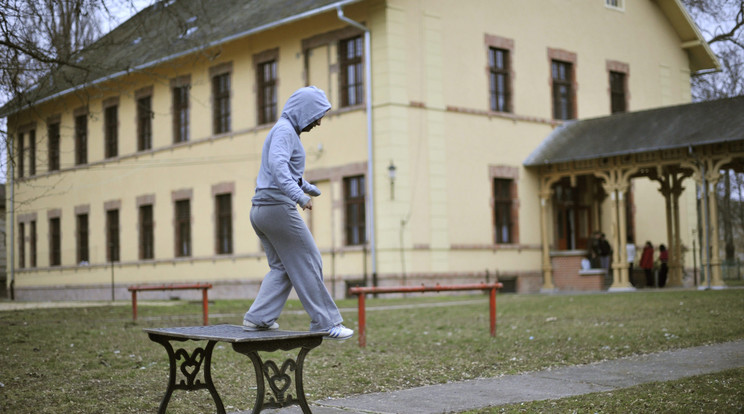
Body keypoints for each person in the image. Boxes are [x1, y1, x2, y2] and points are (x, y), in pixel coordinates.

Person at [243, 86, 353, 340]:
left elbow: (283, 169)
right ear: (303, 111)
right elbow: (278, 166)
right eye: (316, 116)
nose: (318, 122)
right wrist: (299, 196)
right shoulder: (283, 131)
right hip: (276, 208)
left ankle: (258, 318)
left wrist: (305, 186)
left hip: (261, 210)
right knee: (309, 259)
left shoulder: (286, 131)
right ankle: (326, 322)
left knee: (282, 267)